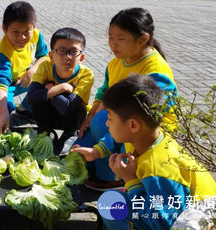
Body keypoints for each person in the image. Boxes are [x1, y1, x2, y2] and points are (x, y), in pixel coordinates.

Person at [75, 74, 216, 229]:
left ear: (132, 125)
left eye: (110, 118)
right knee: (110, 202)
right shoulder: (147, 137)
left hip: (193, 223)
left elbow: (165, 222)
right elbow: (114, 139)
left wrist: (130, 180)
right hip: (178, 211)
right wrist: (94, 152)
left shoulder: (157, 168)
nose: (106, 123)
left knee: (111, 204)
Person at [73, 7, 178, 189]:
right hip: (117, 122)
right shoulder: (116, 63)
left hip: (145, 130)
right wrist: (88, 119)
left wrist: (98, 125)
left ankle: (114, 178)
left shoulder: (156, 71)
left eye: (121, 39)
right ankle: (103, 160)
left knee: (101, 121)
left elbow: (149, 119)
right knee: (78, 151)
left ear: (143, 39)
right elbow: (104, 90)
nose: (113, 44)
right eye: (111, 37)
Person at [0, 1, 49, 134]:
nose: (22, 37)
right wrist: (4, 113)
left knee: (49, 80)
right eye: (16, 32)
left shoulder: (36, 35)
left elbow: (44, 56)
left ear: (33, 27)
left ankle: (25, 109)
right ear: (4, 29)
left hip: (18, 79)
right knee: (6, 106)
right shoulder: (1, 53)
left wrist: (33, 70)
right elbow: (1, 84)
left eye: (26, 31)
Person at [27, 27, 94, 153]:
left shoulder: (86, 75)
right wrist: (62, 88)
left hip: (70, 117)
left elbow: (69, 107)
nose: (67, 57)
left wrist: (50, 90)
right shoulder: (46, 66)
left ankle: (67, 137)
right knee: (38, 101)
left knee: (78, 108)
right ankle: (45, 131)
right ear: (51, 55)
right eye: (61, 51)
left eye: (73, 52)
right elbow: (31, 97)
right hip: (51, 113)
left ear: (82, 57)